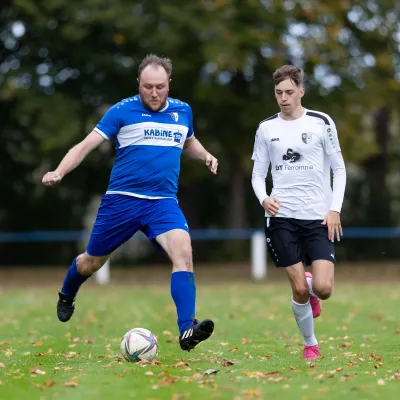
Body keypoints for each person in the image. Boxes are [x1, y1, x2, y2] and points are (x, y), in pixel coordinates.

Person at [42, 54, 218, 352]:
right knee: (91, 262)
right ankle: (67, 293)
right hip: (122, 202)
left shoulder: (183, 111)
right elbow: (86, 146)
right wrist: (59, 171)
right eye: (147, 86)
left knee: (183, 252)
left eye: (159, 87)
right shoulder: (121, 111)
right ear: (138, 83)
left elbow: (187, 141)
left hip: (162, 202)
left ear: (168, 85)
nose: (153, 93)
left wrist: (205, 155)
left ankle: (187, 328)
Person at [251, 65, 346, 360]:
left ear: (301, 92)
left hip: (318, 216)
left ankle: (310, 283)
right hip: (281, 217)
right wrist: (264, 198)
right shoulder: (266, 128)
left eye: (290, 92)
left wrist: (335, 209)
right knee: (300, 292)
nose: (284, 98)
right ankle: (310, 344)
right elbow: (257, 174)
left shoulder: (321, 122)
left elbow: (339, 169)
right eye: (279, 93)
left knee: (324, 288)